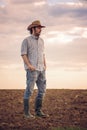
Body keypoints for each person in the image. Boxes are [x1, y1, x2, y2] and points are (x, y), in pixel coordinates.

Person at [21, 20, 48, 118]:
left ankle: (38, 111)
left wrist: (45, 65)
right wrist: (29, 65)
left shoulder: (42, 41)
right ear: (33, 28)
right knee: (29, 91)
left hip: (42, 70)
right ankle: (26, 113)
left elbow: (43, 54)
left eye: (41, 28)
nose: (40, 29)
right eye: (38, 28)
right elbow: (23, 54)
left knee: (42, 91)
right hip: (32, 70)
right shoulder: (26, 40)